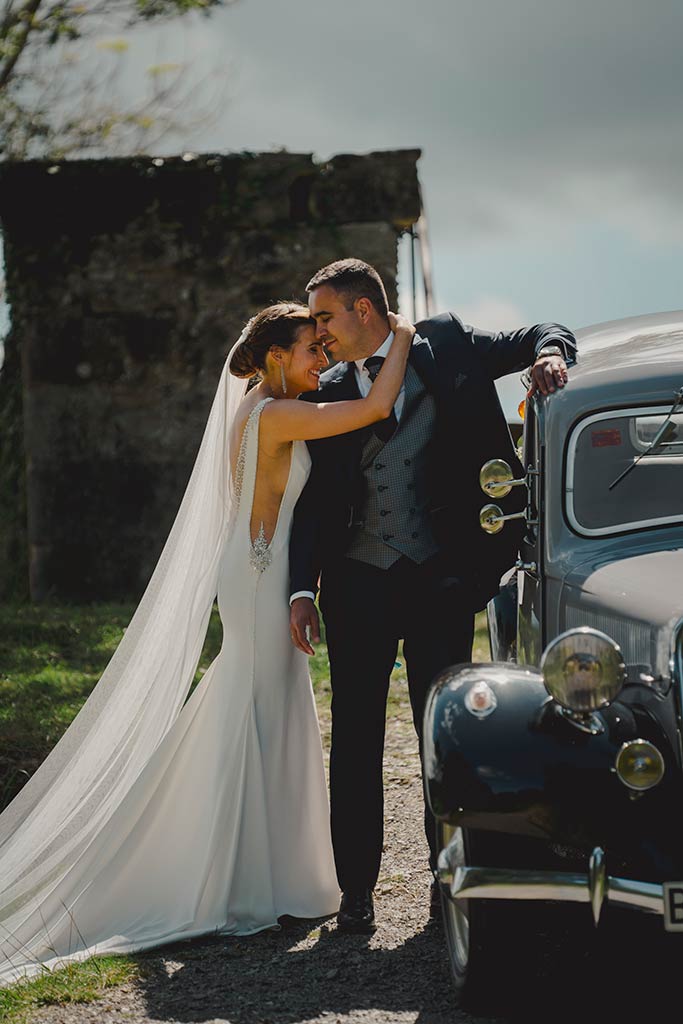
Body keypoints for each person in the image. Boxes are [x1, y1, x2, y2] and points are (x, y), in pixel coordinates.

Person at [0, 301, 415, 985]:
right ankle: (233, 881)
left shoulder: (258, 405)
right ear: (277, 356)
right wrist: (400, 333)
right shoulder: (274, 413)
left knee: (269, 712)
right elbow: (372, 410)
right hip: (257, 576)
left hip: (259, 570)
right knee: (249, 712)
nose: (325, 359)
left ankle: (278, 878)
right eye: (313, 350)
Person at [288, 259, 578, 934]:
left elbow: (543, 329)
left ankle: (444, 886)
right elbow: (312, 504)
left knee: (439, 737)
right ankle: (355, 893)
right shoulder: (326, 387)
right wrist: (303, 587)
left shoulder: (446, 343)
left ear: (364, 311)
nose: (318, 332)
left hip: (441, 579)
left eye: (325, 316)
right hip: (356, 582)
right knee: (354, 739)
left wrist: (549, 356)